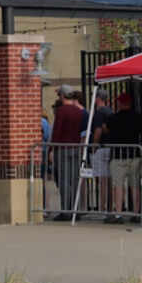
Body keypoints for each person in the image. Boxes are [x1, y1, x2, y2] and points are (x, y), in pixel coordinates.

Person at [102, 92, 142, 224]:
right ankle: (136, 213)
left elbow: (106, 130)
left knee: (118, 186)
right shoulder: (138, 117)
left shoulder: (112, 118)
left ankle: (118, 213)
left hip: (118, 155)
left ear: (120, 103)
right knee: (135, 185)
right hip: (134, 154)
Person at [48, 86, 86, 221]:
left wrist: (51, 149)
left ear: (63, 96)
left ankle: (66, 211)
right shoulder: (79, 111)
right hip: (76, 148)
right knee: (74, 180)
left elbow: (57, 131)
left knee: (64, 180)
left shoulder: (61, 111)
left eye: (59, 95)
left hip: (62, 148)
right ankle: (75, 209)